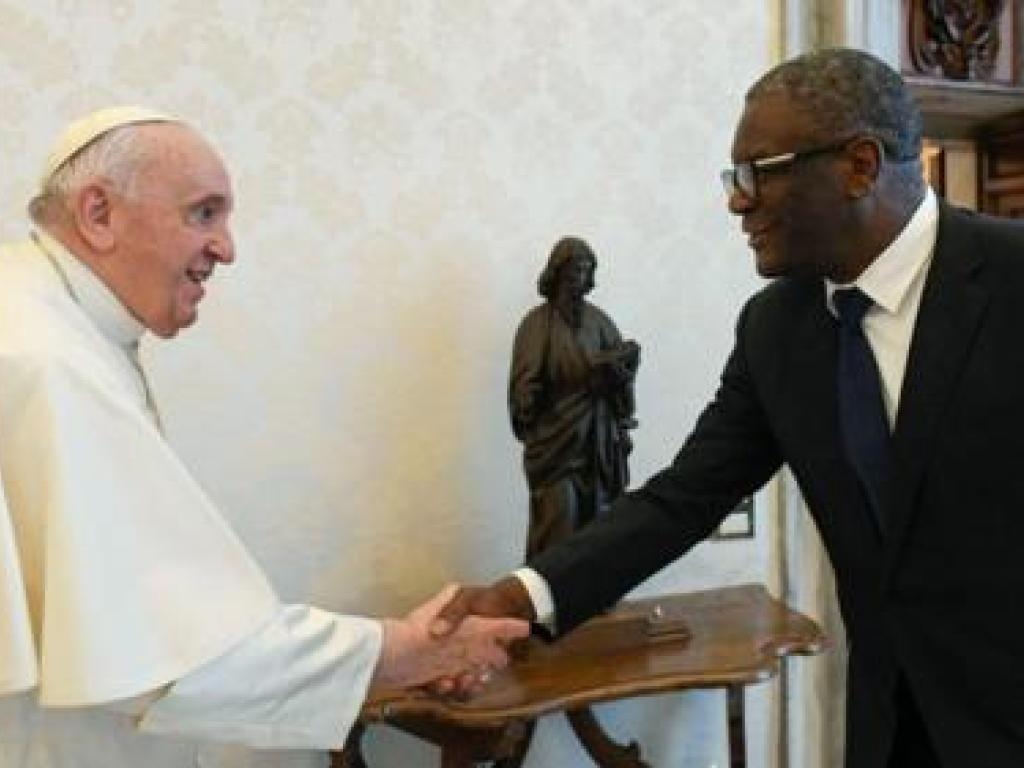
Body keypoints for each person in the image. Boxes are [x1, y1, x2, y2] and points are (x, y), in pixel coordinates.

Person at [434, 48, 1024, 768]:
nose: (737, 202)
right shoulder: (777, 329)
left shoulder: (1012, 279)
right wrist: (522, 598)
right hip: (891, 727)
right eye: (734, 178)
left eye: (758, 172)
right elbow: (683, 498)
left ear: (859, 166)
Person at [0, 107, 528, 768]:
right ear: (99, 213)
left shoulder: (40, 314)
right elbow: (171, 654)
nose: (226, 248)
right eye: (203, 214)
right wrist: (400, 651)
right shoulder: (48, 363)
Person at [509, 236, 639, 556]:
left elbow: (623, 383)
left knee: (599, 526)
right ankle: (551, 586)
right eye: (573, 270)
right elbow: (525, 385)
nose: (578, 278)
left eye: (585, 270)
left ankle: (595, 584)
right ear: (557, 272)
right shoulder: (536, 325)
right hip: (555, 445)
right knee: (559, 521)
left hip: (598, 443)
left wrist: (621, 370)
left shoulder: (600, 322)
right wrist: (528, 401)